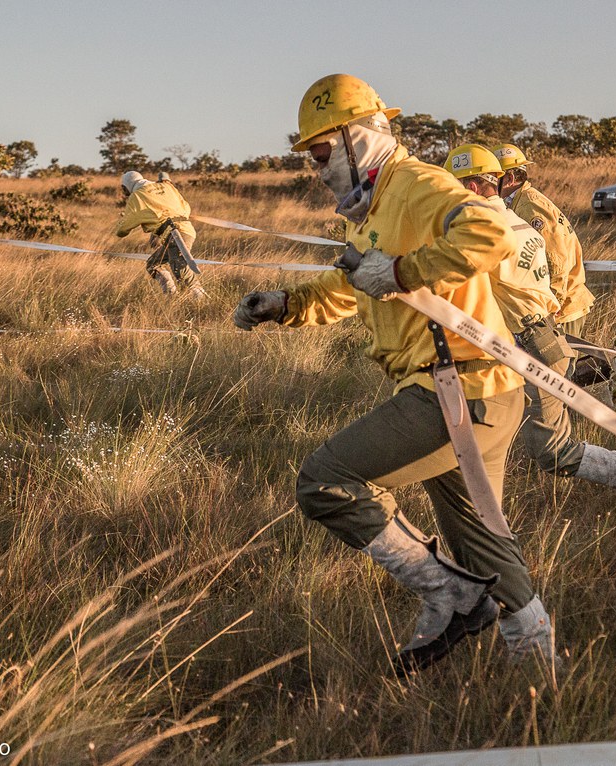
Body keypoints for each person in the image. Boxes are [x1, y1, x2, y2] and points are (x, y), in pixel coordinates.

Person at [233, 74, 557, 671]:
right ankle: (544, 677)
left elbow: (490, 230)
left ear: (357, 137)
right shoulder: (372, 206)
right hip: (475, 389)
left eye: (322, 152)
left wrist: (407, 271)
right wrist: (287, 304)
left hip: (457, 391)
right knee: (480, 542)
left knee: (324, 482)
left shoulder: (417, 185)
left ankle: (452, 596)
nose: (316, 166)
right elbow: (355, 283)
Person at [492, 144, 616, 500]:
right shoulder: (520, 203)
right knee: (557, 381)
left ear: (511, 177)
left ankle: (578, 436)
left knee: (559, 380)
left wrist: (551, 307)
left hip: (559, 309)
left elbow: (557, 259)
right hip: (554, 307)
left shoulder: (530, 207)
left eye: (497, 178)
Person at [115, 171, 204, 296]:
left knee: (179, 268)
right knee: (153, 264)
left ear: (126, 186)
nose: (123, 192)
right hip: (186, 229)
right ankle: (171, 294)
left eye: (123, 188)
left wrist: (118, 230)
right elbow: (186, 207)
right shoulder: (167, 187)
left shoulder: (137, 196)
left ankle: (200, 297)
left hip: (176, 234)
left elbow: (124, 228)